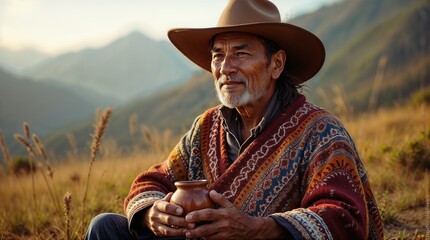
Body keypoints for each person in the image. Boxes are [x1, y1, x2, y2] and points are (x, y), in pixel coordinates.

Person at [86, 0, 384, 239]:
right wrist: (153, 213)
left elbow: (343, 216)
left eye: (241, 53)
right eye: (218, 56)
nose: (226, 68)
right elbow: (156, 180)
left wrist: (260, 229)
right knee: (105, 227)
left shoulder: (320, 132)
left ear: (276, 64)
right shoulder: (205, 127)